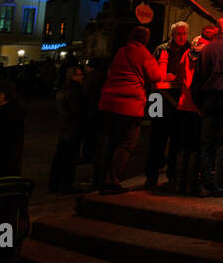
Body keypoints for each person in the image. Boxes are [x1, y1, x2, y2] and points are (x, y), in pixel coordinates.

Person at [95, 26, 164, 194]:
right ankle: (112, 181)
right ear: (145, 39)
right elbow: (157, 76)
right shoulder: (144, 54)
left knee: (110, 142)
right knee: (127, 143)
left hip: (108, 103)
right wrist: (162, 62)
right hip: (129, 106)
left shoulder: (121, 52)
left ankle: (100, 180)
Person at [195, 18, 223, 197]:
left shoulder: (207, 49)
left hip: (209, 98)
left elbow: (198, 77)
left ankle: (206, 184)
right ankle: (221, 185)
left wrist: (199, 102)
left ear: (217, 29)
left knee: (206, 142)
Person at [146, 21, 189, 190]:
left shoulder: (189, 50)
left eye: (184, 34)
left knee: (177, 138)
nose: (181, 37)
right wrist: (163, 75)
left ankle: (172, 174)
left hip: (179, 98)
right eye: (178, 34)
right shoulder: (161, 49)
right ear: (172, 35)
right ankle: (152, 175)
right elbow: (152, 72)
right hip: (158, 98)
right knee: (156, 138)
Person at [174, 35, 205, 195]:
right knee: (195, 148)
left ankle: (178, 184)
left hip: (183, 103)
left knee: (182, 147)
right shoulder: (205, 53)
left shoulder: (187, 53)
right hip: (197, 107)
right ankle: (190, 185)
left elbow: (180, 74)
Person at [49, 62, 86, 194]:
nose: (83, 77)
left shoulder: (63, 88)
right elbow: (78, 110)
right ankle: (65, 185)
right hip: (72, 128)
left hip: (64, 127)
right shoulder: (75, 90)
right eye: (81, 75)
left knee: (61, 156)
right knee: (69, 158)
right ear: (74, 76)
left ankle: (55, 184)